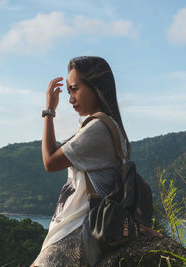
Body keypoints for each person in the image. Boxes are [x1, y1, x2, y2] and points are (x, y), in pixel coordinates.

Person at [32, 56, 131, 266]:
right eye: (68, 91)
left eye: (75, 89)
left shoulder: (99, 128)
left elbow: (49, 161)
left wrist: (49, 111)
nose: (70, 99)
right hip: (70, 228)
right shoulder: (97, 126)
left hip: (77, 231)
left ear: (96, 87)